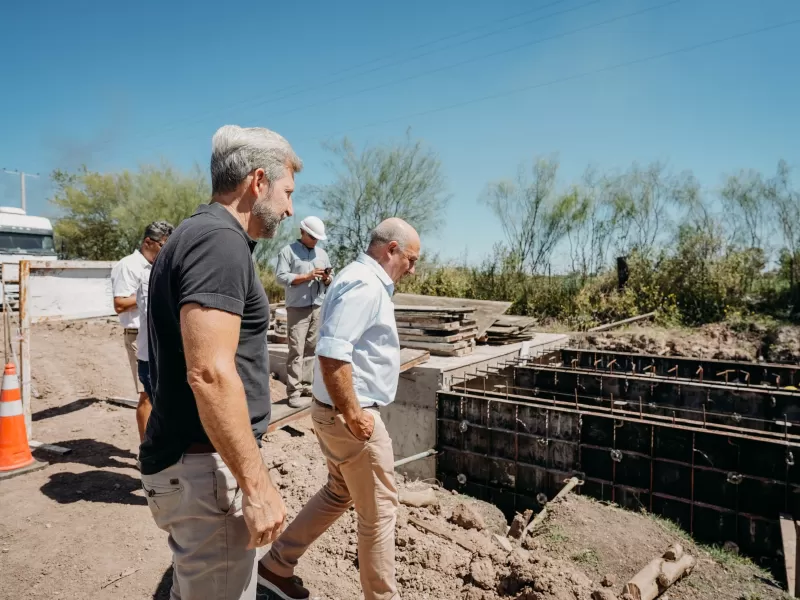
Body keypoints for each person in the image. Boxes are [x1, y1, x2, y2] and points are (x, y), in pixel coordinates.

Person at [139, 124, 303, 600]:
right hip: (203, 469)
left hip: (193, 465)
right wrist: (256, 487)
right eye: (287, 192)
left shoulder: (199, 234)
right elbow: (209, 373)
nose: (290, 208)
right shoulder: (219, 242)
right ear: (258, 181)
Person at [260, 218, 420, 600]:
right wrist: (353, 414)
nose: (412, 269)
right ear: (391, 249)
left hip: (336, 411)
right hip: (350, 414)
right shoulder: (365, 285)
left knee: (338, 492)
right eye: (410, 259)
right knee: (380, 514)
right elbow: (332, 354)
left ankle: (276, 565)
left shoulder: (357, 278)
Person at [110, 221, 173, 441]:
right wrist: (150, 294)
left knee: (158, 392)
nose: (165, 251)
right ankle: (146, 451)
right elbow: (119, 303)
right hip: (138, 335)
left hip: (154, 333)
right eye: (163, 245)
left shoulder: (154, 266)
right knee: (146, 394)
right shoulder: (128, 266)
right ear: (148, 242)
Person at [275, 216, 332, 408]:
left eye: (317, 238)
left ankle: (307, 386)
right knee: (296, 350)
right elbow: (281, 277)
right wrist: (305, 276)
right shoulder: (287, 251)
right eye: (312, 236)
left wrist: (326, 278)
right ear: (302, 232)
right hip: (297, 307)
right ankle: (293, 392)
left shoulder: (322, 254)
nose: (315, 241)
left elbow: (330, 279)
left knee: (311, 349)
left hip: (317, 305)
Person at [133, 221, 174, 439]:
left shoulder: (158, 272)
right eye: (163, 246)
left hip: (158, 355)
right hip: (152, 356)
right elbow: (156, 314)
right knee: (156, 407)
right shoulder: (146, 273)